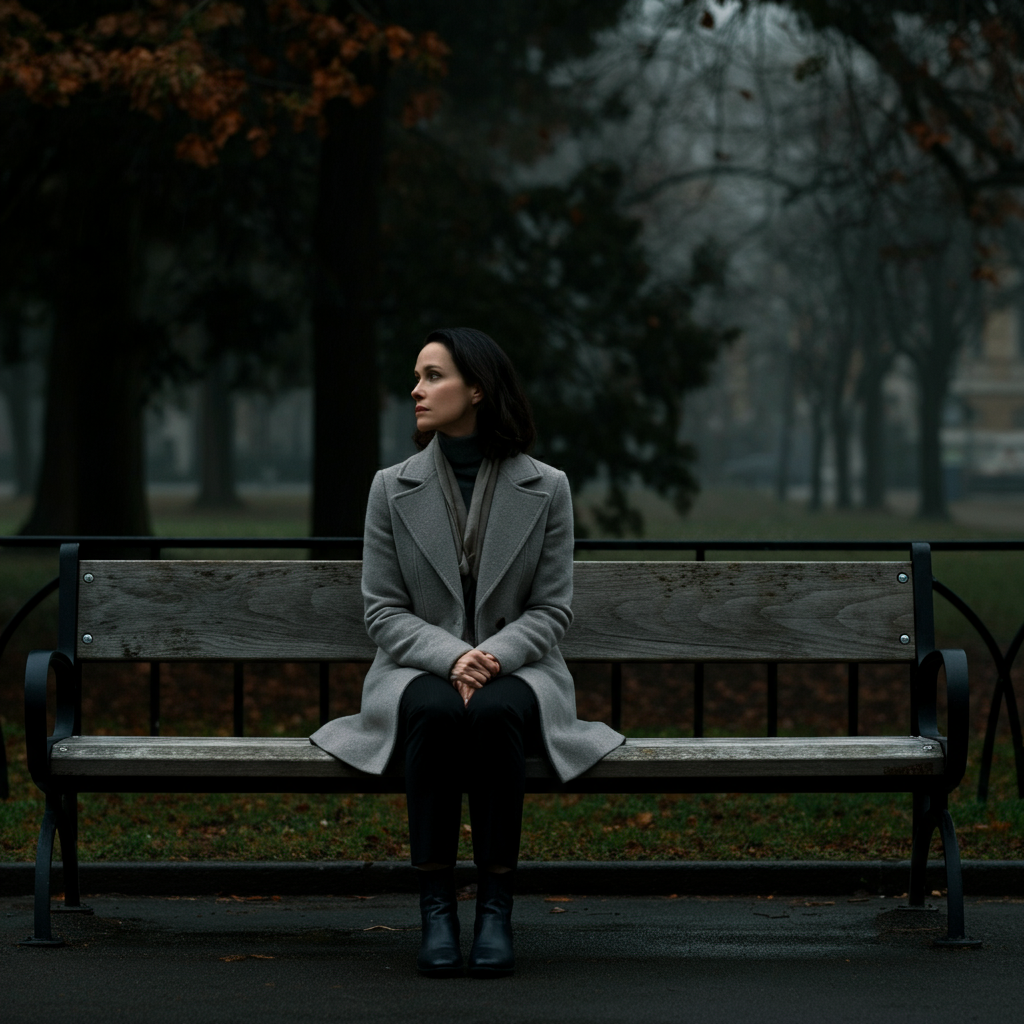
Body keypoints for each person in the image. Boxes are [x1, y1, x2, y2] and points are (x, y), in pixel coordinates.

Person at [311, 327, 623, 978]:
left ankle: (495, 910)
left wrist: (491, 659)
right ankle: (436, 911)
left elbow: (553, 608)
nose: (415, 390)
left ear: (476, 389)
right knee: (433, 712)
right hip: (416, 669)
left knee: (494, 713)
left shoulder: (549, 487)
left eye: (432, 376)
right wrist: (452, 657)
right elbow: (382, 610)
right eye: (418, 376)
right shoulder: (389, 488)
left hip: (520, 669)